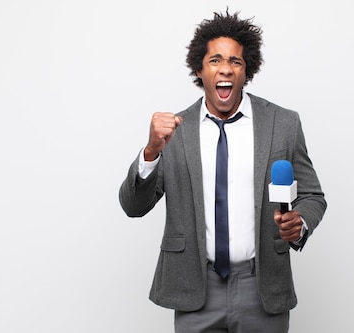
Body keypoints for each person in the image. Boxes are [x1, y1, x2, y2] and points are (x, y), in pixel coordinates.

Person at [119, 10, 326, 333]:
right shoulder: (173, 131)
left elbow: (313, 195)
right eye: (215, 60)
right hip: (195, 289)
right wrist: (151, 151)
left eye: (236, 62)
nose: (226, 68)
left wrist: (299, 224)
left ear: (247, 71)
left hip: (263, 286)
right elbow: (133, 206)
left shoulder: (283, 124)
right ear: (199, 70)